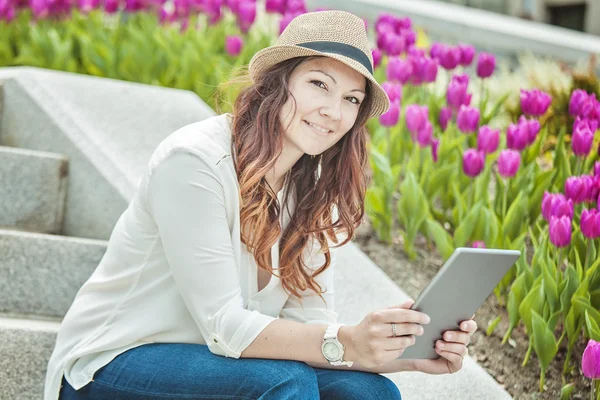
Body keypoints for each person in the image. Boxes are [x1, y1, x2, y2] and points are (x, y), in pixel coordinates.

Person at [44, 10, 478, 400]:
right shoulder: (194, 162)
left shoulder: (311, 189)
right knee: (285, 383)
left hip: (225, 368)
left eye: (351, 99)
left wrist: (404, 355)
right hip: (112, 366)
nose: (333, 111)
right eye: (319, 84)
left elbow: (312, 328)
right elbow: (224, 326)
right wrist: (347, 340)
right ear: (278, 81)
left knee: (369, 391)